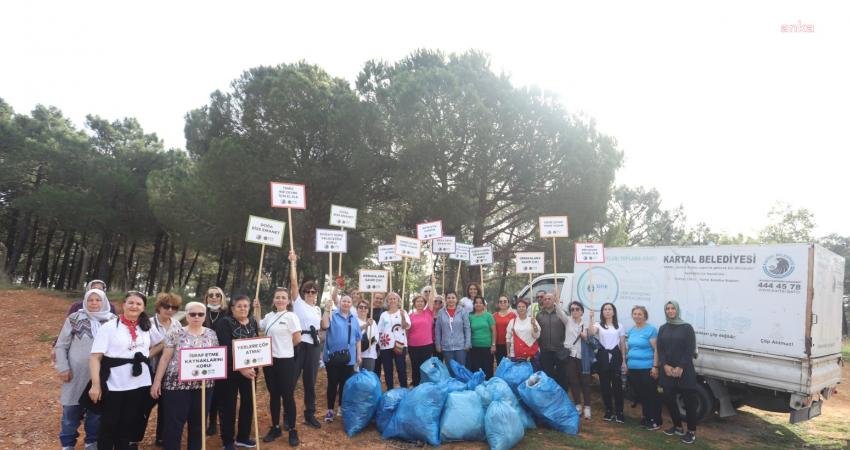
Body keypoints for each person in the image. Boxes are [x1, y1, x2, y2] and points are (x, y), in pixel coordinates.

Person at [88, 291, 164, 450]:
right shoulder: (109, 327)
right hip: (114, 383)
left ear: (143, 308)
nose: (134, 306)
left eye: (138, 304)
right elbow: (95, 358)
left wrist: (144, 356)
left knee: (129, 423)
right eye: (131, 302)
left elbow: (161, 343)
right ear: (123, 305)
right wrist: (95, 385)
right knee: (109, 423)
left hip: (139, 383)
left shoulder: (146, 326)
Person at [150, 301, 218, 450]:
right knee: (174, 424)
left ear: (205, 316)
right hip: (176, 385)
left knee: (198, 424)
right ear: (186, 315)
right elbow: (165, 358)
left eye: (200, 314)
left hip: (204, 386)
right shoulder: (175, 332)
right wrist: (157, 382)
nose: (196, 317)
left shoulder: (211, 334)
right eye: (192, 314)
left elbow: (215, 358)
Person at [55, 288, 115, 450]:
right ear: (85, 301)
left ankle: (92, 442)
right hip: (76, 374)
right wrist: (63, 367)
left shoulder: (113, 321)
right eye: (90, 300)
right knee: (70, 411)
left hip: (100, 375)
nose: (94, 303)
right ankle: (67, 445)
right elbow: (61, 345)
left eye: (98, 300)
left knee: (96, 413)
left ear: (104, 301)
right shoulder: (74, 318)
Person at [255, 288, 302, 446]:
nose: (280, 300)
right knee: (274, 395)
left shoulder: (291, 316)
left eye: (283, 297)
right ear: (273, 300)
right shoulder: (269, 316)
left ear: (288, 301)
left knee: (287, 396)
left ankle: (293, 429)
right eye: (277, 297)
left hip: (286, 361)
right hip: (270, 362)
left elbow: (297, 338)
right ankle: (275, 427)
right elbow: (259, 326)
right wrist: (258, 309)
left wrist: (284, 348)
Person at [214, 295, 258, 450]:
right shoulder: (224, 323)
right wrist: (242, 368)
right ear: (232, 308)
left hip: (250, 370)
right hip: (230, 370)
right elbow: (226, 347)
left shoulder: (252, 321)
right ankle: (228, 441)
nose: (243, 308)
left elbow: (256, 344)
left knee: (248, 402)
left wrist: (257, 363)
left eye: (246, 306)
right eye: (239, 306)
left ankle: (243, 437)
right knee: (228, 405)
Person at [141, 292, 184, 446]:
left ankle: (161, 437)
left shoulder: (177, 324)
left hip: (170, 373)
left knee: (166, 408)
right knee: (145, 406)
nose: (170, 310)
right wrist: (164, 344)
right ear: (159, 306)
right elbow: (144, 348)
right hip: (149, 371)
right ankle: (135, 437)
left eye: (174, 307)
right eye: (166, 306)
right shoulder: (148, 323)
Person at [289, 251, 323, 429]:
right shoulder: (298, 303)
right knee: (292, 381)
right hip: (299, 345)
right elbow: (294, 284)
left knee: (310, 382)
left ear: (317, 294)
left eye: (314, 292)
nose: (311, 293)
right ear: (304, 293)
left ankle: (310, 414)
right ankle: (288, 416)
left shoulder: (318, 309)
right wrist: (293, 263)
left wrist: (329, 310)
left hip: (314, 347)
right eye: (308, 291)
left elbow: (323, 327)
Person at [658, 301, 698, 444]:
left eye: (672, 308)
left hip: (684, 371)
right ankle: (677, 427)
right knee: (669, 399)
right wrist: (665, 365)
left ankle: (691, 432)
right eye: (667, 308)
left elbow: (690, 349)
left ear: (677, 310)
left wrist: (680, 367)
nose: (670, 311)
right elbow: (660, 349)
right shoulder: (663, 328)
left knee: (689, 402)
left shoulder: (686, 328)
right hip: (667, 371)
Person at [321, 293, 362, 422]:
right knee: (332, 384)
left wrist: (359, 355)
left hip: (349, 358)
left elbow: (358, 338)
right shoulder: (333, 314)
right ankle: (329, 410)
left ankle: (340, 407)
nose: (346, 303)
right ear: (339, 303)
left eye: (348, 302)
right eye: (344, 301)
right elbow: (325, 325)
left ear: (351, 304)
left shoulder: (354, 318)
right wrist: (327, 310)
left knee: (345, 384)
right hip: (332, 357)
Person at [625, 305, 662, 431]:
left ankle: (655, 421)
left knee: (650, 394)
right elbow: (629, 348)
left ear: (645, 316)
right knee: (641, 395)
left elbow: (656, 349)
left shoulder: (650, 330)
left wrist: (655, 367)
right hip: (633, 368)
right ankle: (646, 418)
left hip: (647, 368)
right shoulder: (631, 330)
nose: (637, 316)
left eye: (640, 314)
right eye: (635, 314)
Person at [589, 302, 627, 423]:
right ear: (602, 312)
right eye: (605, 309)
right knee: (605, 385)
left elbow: (622, 344)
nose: (607, 311)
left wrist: (624, 361)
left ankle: (620, 412)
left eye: (609, 309)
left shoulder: (619, 326)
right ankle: (609, 411)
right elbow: (590, 333)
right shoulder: (598, 325)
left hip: (616, 355)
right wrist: (590, 319)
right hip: (603, 356)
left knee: (617, 385)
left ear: (613, 312)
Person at [558, 300, 592, 420]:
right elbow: (559, 312)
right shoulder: (568, 321)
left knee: (585, 382)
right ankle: (578, 405)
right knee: (573, 381)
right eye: (572, 309)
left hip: (583, 357)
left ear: (582, 311)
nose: (575, 311)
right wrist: (557, 302)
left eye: (577, 309)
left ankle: (587, 407)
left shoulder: (587, 323)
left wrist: (586, 336)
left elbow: (591, 338)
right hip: (570, 355)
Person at [202, 285, 228, 436]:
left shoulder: (226, 313)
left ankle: (213, 422)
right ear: (206, 297)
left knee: (217, 392)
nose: (214, 297)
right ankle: (201, 420)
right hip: (202, 357)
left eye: (217, 295)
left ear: (221, 297)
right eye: (210, 295)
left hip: (220, 357)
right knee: (203, 391)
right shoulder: (200, 312)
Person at [377, 292, 411, 388]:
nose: (392, 300)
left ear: (398, 300)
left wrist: (403, 316)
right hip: (385, 344)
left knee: (401, 368)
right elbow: (379, 330)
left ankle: (404, 389)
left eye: (394, 299)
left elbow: (406, 326)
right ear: (387, 301)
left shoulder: (403, 312)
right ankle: (390, 390)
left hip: (400, 344)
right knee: (388, 369)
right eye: (390, 299)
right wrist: (377, 343)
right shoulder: (384, 314)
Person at [536, 292, 568, 391]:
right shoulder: (539, 315)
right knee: (547, 375)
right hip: (545, 350)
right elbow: (536, 332)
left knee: (562, 376)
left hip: (560, 350)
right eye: (545, 299)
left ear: (554, 300)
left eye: (549, 298)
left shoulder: (561, 313)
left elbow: (568, 326)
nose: (547, 300)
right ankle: (550, 395)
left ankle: (563, 396)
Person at [434, 290, 471, 374]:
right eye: (448, 298)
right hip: (446, 346)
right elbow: (438, 329)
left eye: (453, 298)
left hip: (460, 346)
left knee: (461, 369)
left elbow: (467, 328)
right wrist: (438, 344)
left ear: (457, 299)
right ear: (446, 300)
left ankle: (462, 386)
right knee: (450, 369)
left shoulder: (462, 311)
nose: (451, 300)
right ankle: (452, 386)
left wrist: (467, 343)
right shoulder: (441, 312)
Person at [407, 285, 436, 385]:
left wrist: (433, 284)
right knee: (415, 367)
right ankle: (416, 386)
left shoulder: (428, 312)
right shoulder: (409, 315)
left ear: (425, 303)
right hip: (412, 346)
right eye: (417, 301)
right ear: (414, 303)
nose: (420, 303)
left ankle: (426, 386)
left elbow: (432, 299)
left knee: (426, 368)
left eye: (422, 301)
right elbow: (406, 330)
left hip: (426, 345)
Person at [468, 296, 496, 378]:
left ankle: (488, 387)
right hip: (474, 347)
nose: (478, 304)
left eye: (480, 303)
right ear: (473, 305)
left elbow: (494, 331)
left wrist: (493, 345)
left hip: (487, 347)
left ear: (484, 305)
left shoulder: (489, 316)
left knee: (488, 369)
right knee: (476, 369)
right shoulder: (470, 316)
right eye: (476, 302)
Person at [355, 298, 378, 372]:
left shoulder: (373, 322)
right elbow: (354, 333)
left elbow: (377, 336)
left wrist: (371, 342)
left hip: (370, 354)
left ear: (368, 310)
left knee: (368, 377)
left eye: (365, 307)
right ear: (357, 309)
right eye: (361, 307)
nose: (363, 309)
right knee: (357, 376)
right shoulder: (353, 320)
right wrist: (366, 325)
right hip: (356, 354)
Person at [493, 295, 516, 364]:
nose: (503, 303)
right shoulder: (494, 316)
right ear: (498, 304)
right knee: (500, 364)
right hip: (498, 344)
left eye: (505, 301)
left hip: (510, 344)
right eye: (500, 302)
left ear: (508, 303)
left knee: (510, 365)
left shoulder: (513, 315)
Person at [370, 292, 386, 378]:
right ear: (373, 298)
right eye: (377, 298)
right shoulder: (368, 310)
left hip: (381, 341)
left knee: (378, 365)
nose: (378, 300)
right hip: (370, 340)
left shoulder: (385, 311)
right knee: (370, 365)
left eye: (381, 299)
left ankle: (377, 383)